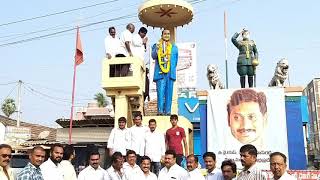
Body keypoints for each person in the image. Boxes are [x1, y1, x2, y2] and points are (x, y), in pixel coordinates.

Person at [151, 29, 178, 115]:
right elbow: (153, 56)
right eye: (165, 34)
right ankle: (160, 111)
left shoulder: (174, 48)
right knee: (160, 93)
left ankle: (168, 111)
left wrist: (171, 69)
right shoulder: (157, 45)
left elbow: (176, 61)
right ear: (162, 35)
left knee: (169, 94)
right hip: (160, 73)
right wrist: (157, 49)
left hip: (170, 73)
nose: (167, 35)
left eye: (168, 34)